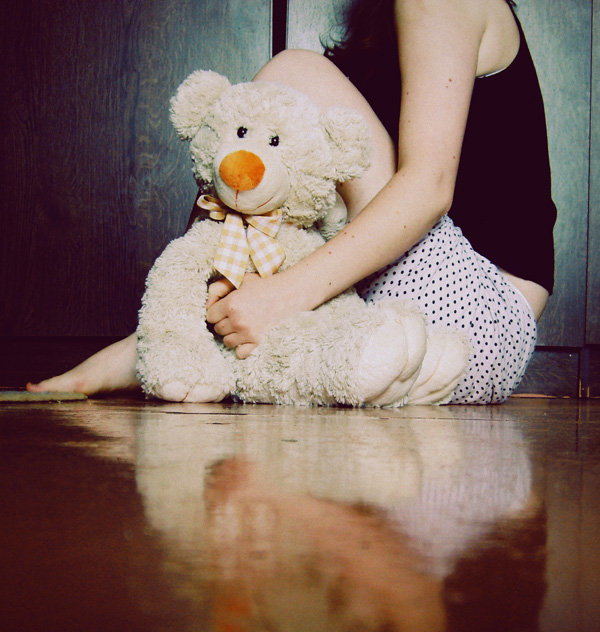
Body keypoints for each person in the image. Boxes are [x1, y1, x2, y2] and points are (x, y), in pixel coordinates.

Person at [27, 0, 556, 404]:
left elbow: (428, 187)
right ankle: (187, 332)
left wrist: (282, 296)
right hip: (445, 326)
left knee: (293, 76)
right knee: (295, 163)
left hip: (474, 319)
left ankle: (176, 330)